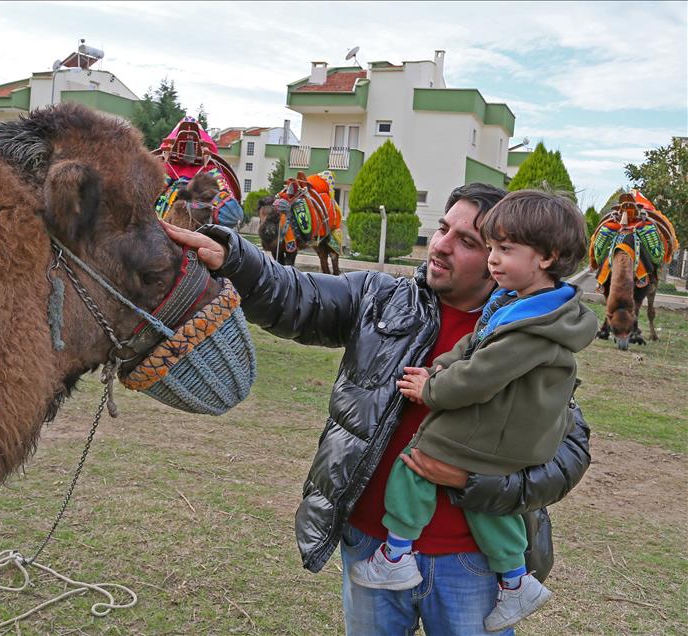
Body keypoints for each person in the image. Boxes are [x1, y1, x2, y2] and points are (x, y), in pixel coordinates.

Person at [161, 182, 593, 636]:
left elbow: (568, 454)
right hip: (373, 546)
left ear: (502, 257)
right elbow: (294, 295)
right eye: (443, 229)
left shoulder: (526, 335)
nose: (441, 246)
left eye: (468, 241)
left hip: (474, 562)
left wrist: (475, 482)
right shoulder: (379, 298)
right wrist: (231, 258)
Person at [349, 190, 597, 632]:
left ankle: (396, 552)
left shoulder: (532, 326)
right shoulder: (522, 305)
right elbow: (475, 346)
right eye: (493, 248)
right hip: (509, 441)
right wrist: (445, 361)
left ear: (547, 257)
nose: (494, 260)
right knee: (489, 509)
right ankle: (515, 580)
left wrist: (433, 388)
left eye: (503, 249)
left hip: (505, 439)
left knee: (417, 459)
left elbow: (481, 373)